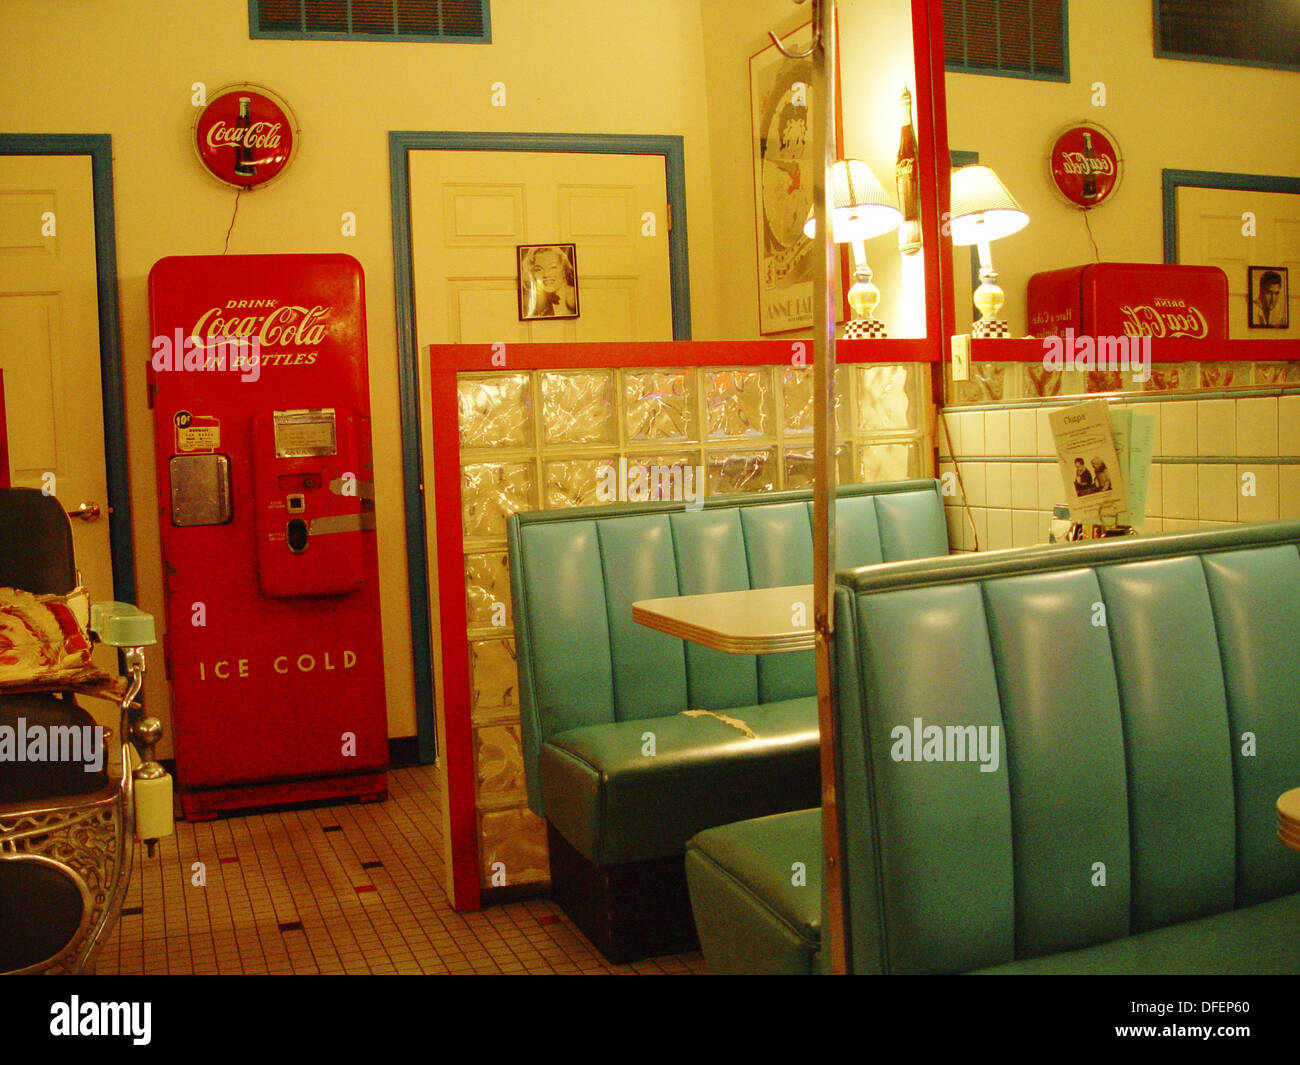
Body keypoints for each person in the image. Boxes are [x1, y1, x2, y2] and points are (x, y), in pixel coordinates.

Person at [523, 246, 577, 318]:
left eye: (552, 267)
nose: (546, 275)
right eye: (538, 269)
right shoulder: (540, 302)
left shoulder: (571, 297)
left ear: (564, 269)